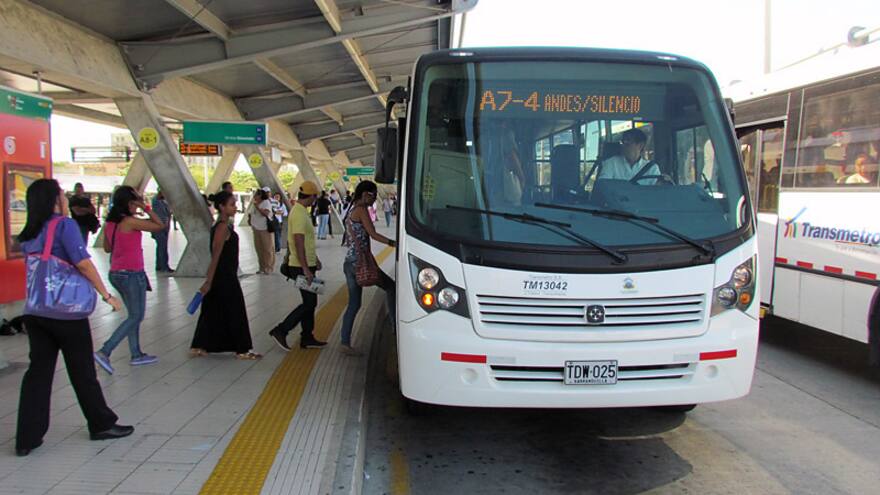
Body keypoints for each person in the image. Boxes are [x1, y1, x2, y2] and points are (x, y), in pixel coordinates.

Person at [15, 179, 132, 457]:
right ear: (55, 200)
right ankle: (101, 424)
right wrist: (106, 295)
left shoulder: (29, 231)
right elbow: (82, 263)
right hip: (65, 312)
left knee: (38, 374)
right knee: (82, 371)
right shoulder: (63, 226)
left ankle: (27, 438)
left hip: (36, 311)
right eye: (62, 196)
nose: (66, 200)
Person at [93, 186, 165, 374]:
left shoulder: (111, 223)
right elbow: (160, 225)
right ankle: (105, 351)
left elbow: (108, 249)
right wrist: (146, 208)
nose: (137, 205)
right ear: (129, 203)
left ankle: (136, 354)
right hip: (132, 273)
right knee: (136, 316)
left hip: (116, 273)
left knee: (133, 315)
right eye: (135, 201)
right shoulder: (130, 221)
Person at [190, 192, 262, 360]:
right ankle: (242, 348)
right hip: (224, 276)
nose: (235, 207)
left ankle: (200, 345)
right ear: (222, 207)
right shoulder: (222, 227)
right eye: (231, 204)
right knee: (235, 309)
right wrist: (209, 280)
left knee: (212, 309)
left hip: (223, 274)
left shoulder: (224, 225)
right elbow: (216, 255)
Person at [339, 181, 397, 355]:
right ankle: (394, 327)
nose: (373, 200)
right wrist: (393, 243)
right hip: (361, 263)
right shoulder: (362, 210)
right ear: (365, 194)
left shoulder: (351, 209)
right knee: (391, 287)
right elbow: (372, 233)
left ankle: (345, 342)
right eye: (373, 196)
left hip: (349, 262)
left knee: (354, 304)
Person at [268, 181, 327, 351]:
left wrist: (314, 260)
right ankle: (281, 330)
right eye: (314, 196)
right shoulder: (299, 214)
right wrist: (306, 269)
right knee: (309, 303)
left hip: (307, 263)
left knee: (311, 302)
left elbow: (306, 241)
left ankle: (307, 337)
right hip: (301, 266)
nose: (315, 199)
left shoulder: (301, 211)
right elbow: (298, 241)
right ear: (311, 196)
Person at [248, 188, 275, 274]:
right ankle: (262, 267)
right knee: (259, 248)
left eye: (256, 194)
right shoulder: (254, 203)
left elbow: (266, 213)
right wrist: (250, 220)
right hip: (256, 228)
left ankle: (269, 267)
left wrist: (257, 207)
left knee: (267, 248)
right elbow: (250, 213)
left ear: (260, 195)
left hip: (264, 229)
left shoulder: (266, 203)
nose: (254, 196)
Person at [150, 190, 174, 274]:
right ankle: (164, 266)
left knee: (161, 246)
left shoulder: (164, 201)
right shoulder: (156, 201)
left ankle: (159, 265)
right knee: (162, 247)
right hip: (159, 227)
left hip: (165, 227)